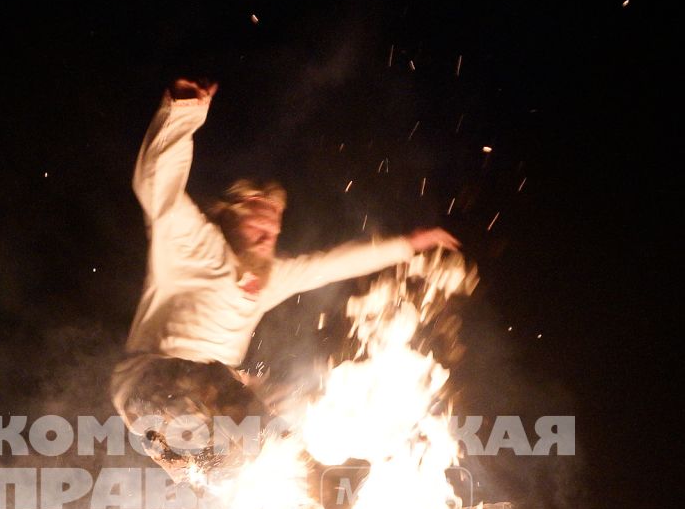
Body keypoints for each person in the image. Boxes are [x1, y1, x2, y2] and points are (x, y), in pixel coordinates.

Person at [110, 78, 461, 482]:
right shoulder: (192, 243)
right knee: (250, 415)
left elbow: (330, 264)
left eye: (274, 230)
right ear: (231, 218)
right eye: (258, 227)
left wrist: (406, 245)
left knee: (248, 462)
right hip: (150, 380)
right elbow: (156, 186)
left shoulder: (270, 276)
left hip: (189, 407)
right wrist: (183, 113)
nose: (268, 237)